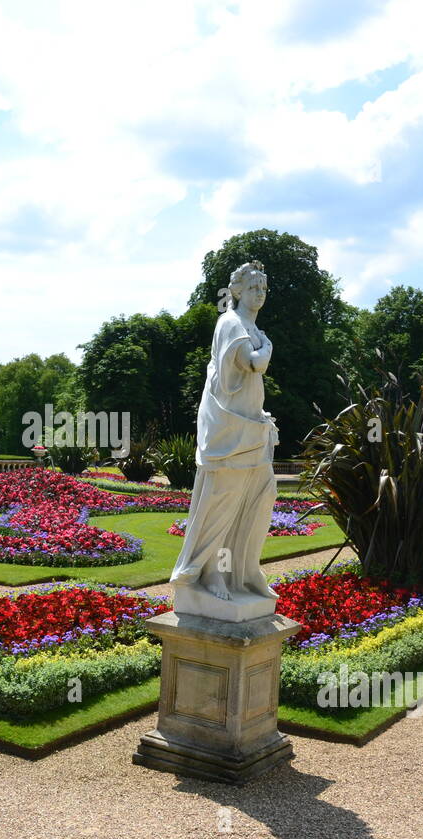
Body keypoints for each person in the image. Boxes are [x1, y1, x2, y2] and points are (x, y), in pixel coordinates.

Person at [170, 260, 280, 613]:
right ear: (236, 291)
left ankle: (245, 570)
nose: (259, 294)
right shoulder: (231, 322)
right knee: (224, 504)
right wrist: (268, 350)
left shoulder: (250, 325)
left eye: (263, 288)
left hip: (251, 425)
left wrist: (261, 415)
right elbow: (253, 364)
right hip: (230, 429)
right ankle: (210, 572)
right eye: (252, 288)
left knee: (261, 496)